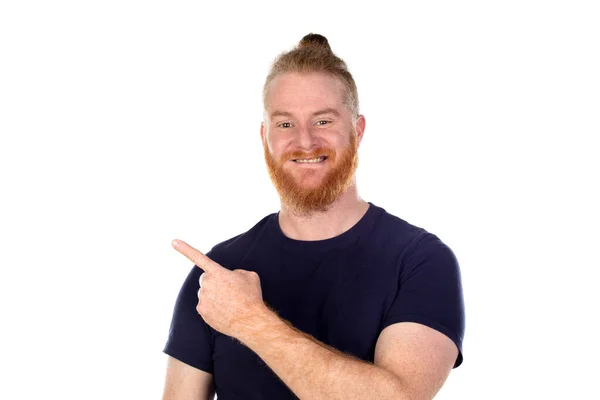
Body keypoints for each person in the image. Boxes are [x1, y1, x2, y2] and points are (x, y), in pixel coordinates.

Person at [162, 33, 465, 400]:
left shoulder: (420, 261)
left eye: (323, 122)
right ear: (264, 138)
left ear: (357, 131)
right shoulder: (218, 272)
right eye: (285, 124)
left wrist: (250, 321)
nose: (304, 142)